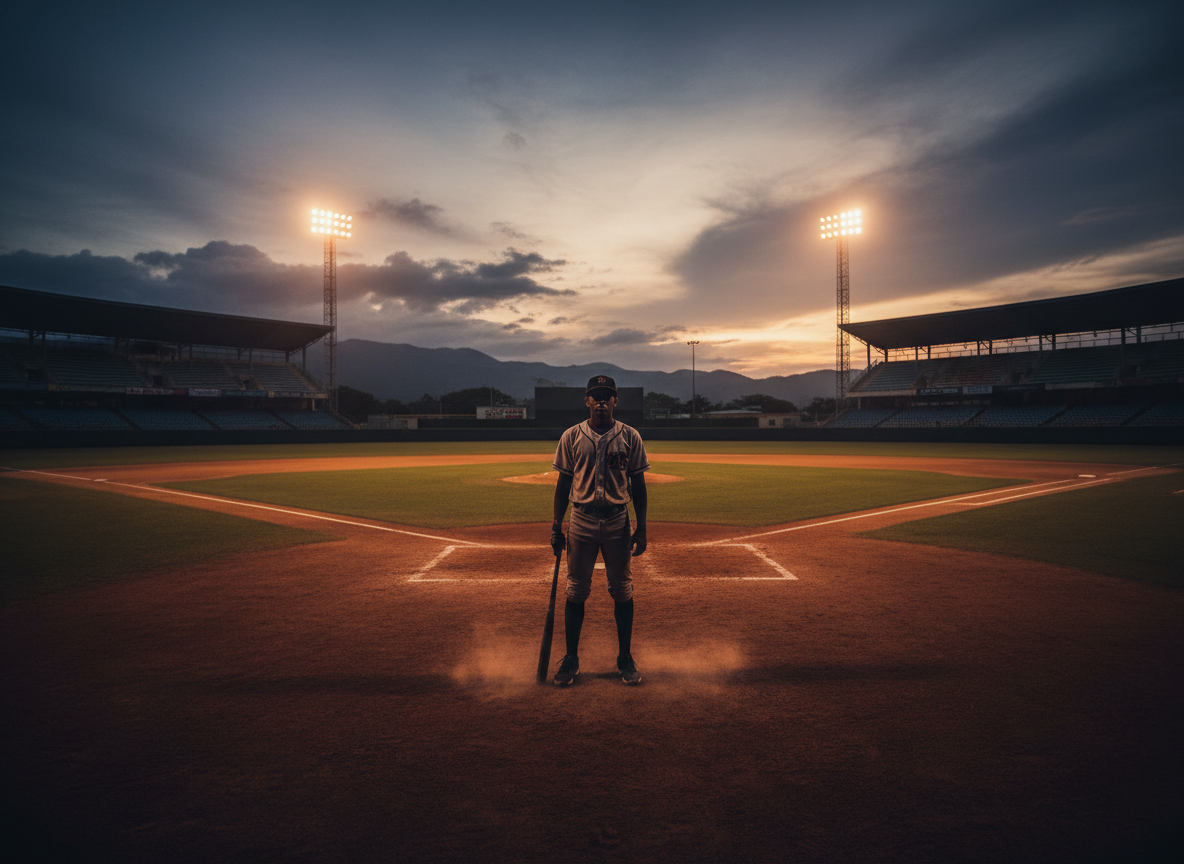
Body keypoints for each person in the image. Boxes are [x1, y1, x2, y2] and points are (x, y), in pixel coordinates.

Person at [550, 375, 650, 686]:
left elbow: (639, 484)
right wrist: (556, 524)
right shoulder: (571, 436)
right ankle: (571, 658)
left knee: (622, 589)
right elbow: (564, 482)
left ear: (616, 401)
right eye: (596, 396)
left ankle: (624, 657)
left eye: (608, 396)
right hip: (581, 520)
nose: (602, 401)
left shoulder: (630, 436)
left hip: (619, 520)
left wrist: (642, 526)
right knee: (576, 590)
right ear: (587, 401)